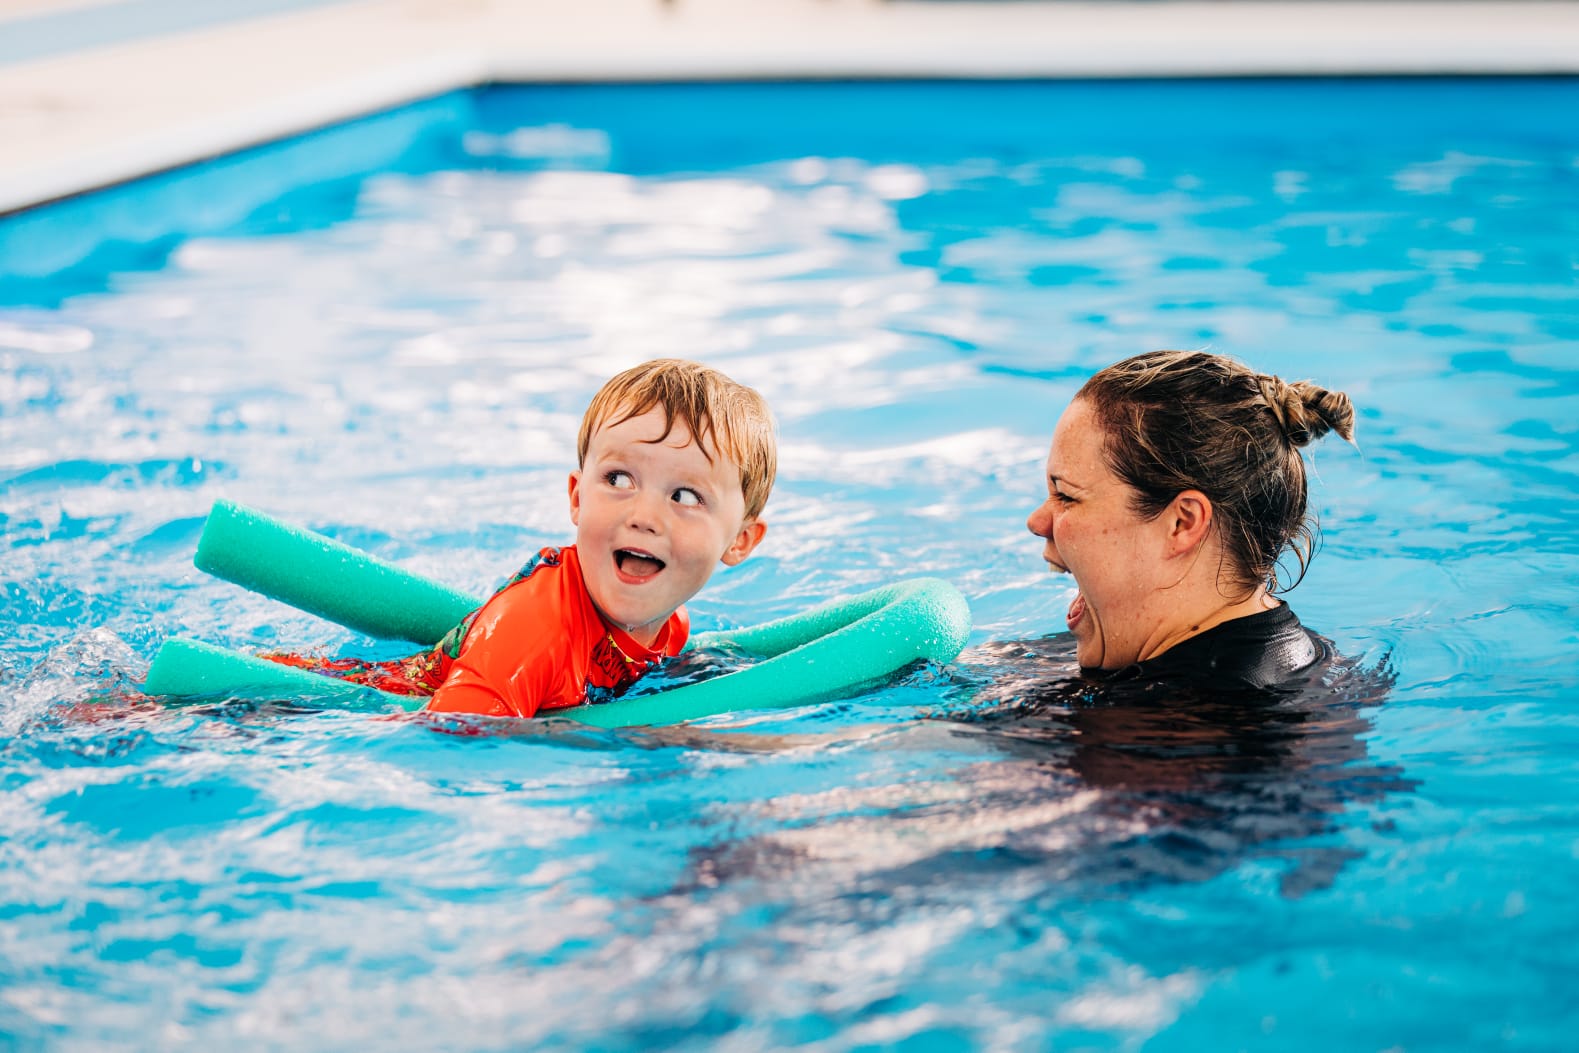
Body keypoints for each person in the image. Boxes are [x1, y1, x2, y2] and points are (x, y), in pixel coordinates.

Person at [273, 358, 774, 718]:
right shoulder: (535, 626)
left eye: (685, 496)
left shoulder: (672, 626)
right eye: (619, 480)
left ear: (741, 540)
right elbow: (450, 732)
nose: (644, 516)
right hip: (293, 708)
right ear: (577, 498)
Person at [1025, 349, 1356, 688]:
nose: (1036, 522)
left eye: (1066, 495)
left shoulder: (1176, 728)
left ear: (1182, 522)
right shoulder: (1318, 662)